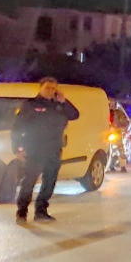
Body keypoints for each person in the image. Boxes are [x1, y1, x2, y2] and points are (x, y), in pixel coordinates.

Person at [11, 78, 80, 223]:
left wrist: (64, 101)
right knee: (28, 181)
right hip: (34, 149)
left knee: (49, 182)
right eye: (48, 88)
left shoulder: (59, 106)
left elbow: (75, 115)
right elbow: (17, 128)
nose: (51, 91)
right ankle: (21, 212)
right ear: (40, 88)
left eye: (54, 88)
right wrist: (17, 148)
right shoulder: (30, 105)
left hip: (54, 149)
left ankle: (41, 211)